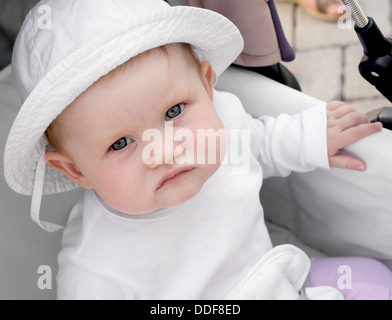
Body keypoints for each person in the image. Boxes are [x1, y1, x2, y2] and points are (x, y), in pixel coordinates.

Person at [4, 0, 389, 299]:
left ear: (206, 85)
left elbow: (258, 144)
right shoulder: (96, 269)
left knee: (373, 278)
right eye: (120, 143)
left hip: (280, 274)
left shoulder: (221, 124)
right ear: (75, 171)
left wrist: (309, 138)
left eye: (174, 111)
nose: (166, 150)